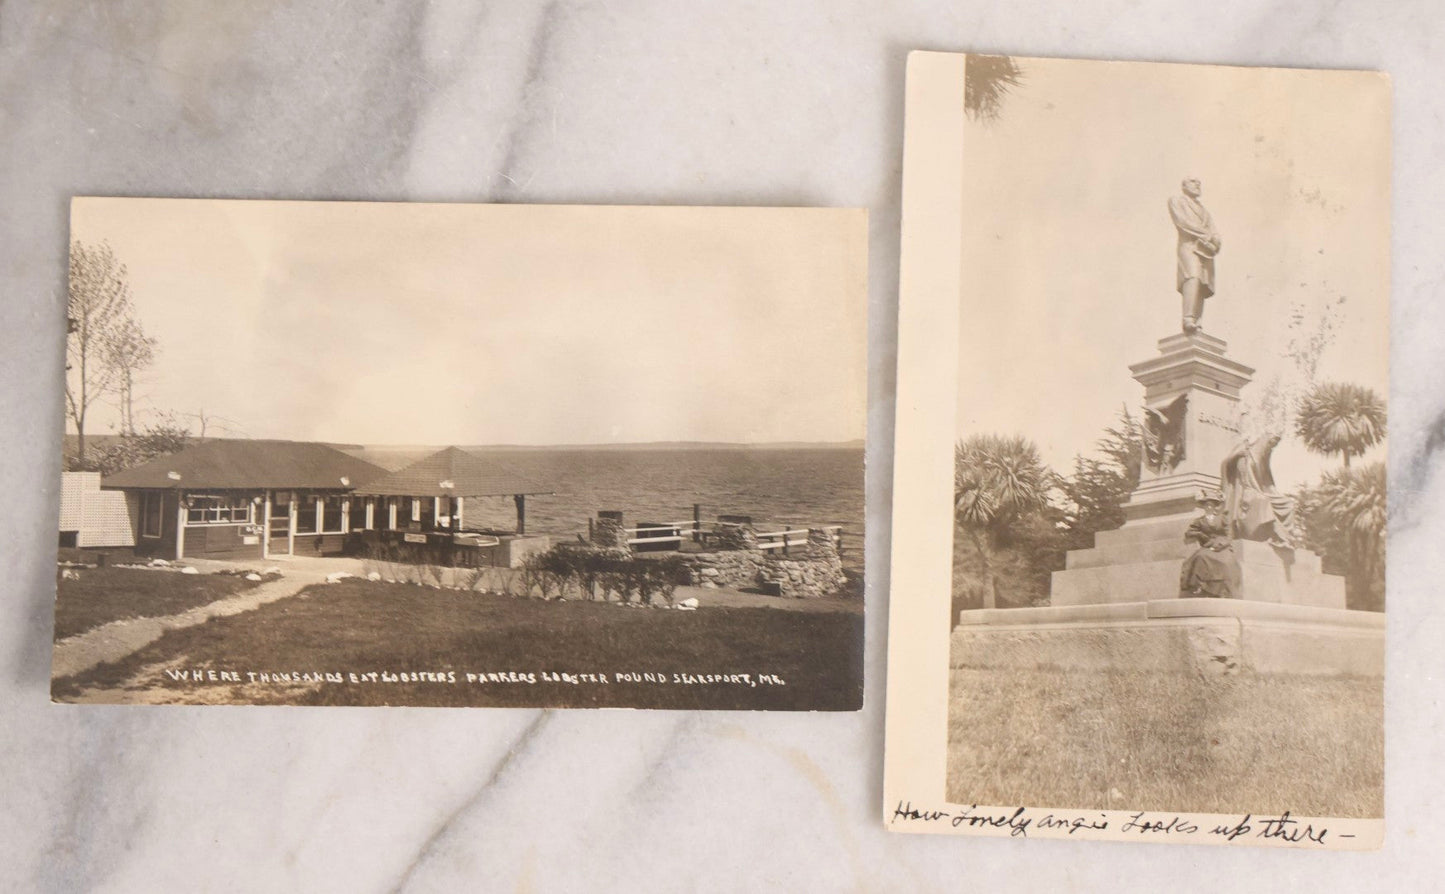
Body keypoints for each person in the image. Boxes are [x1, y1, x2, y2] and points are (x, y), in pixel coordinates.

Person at [1220, 432, 1298, 547]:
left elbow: (1268, 483)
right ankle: (1278, 537)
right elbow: (1225, 464)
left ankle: (1286, 538)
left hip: (1260, 492)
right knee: (1264, 502)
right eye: (1272, 443)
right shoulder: (1244, 449)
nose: (1272, 447)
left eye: (1275, 445)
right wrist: (1236, 455)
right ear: (1265, 438)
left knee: (1288, 504)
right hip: (1245, 492)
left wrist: (1278, 496)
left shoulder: (1264, 457)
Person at [1168, 178, 1221, 334]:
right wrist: (1206, 235)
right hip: (1189, 247)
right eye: (1192, 182)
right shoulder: (1177, 200)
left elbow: (1215, 231)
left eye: (1199, 183)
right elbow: (1182, 223)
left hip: (1206, 250)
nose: (1197, 184)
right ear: (1183, 186)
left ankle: (1197, 321)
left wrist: (1215, 242)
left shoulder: (1204, 211)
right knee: (1193, 277)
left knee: (1203, 284)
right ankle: (1188, 318)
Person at [1180, 490, 1240, 598]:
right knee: (1200, 556)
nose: (1209, 507)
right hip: (1207, 546)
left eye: (1211, 505)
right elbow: (1189, 532)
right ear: (1204, 507)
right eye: (1207, 505)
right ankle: (1201, 586)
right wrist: (1200, 534)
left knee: (1227, 562)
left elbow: (1229, 535)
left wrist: (1220, 545)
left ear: (1214, 507)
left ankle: (1222, 591)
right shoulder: (1200, 521)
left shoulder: (1222, 518)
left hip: (1222, 547)